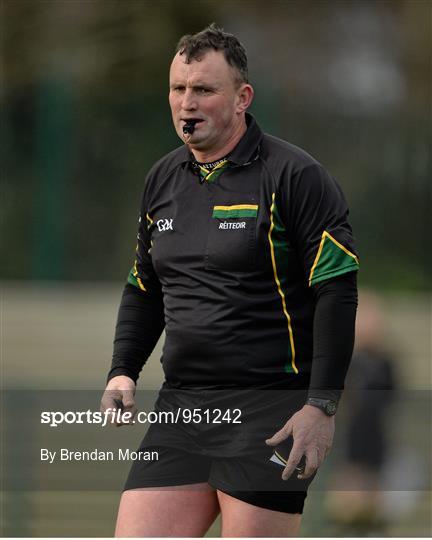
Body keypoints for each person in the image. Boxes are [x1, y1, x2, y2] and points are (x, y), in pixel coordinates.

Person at [100, 23, 359, 537]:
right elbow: (144, 287)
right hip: (182, 408)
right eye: (178, 88)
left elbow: (337, 290)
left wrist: (322, 405)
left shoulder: (294, 176)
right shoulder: (162, 179)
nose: (186, 103)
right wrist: (122, 369)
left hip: (270, 411)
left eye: (203, 89)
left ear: (242, 97)